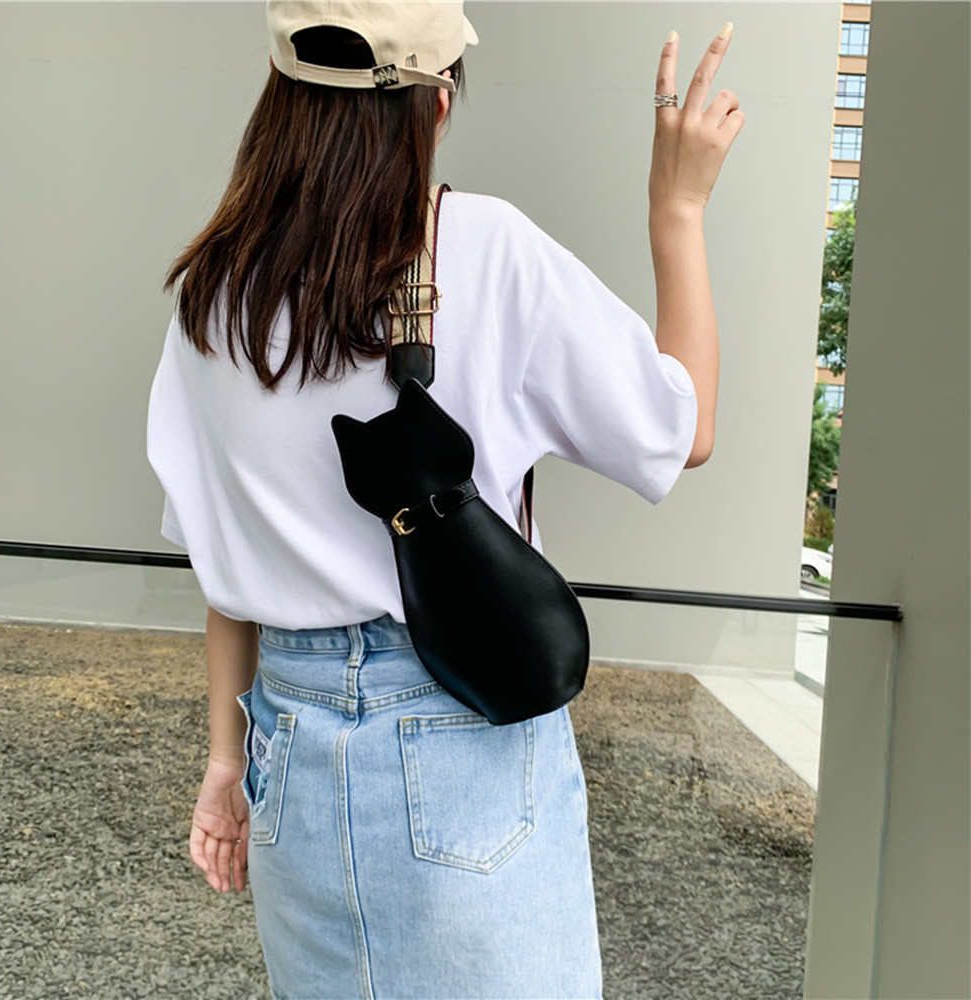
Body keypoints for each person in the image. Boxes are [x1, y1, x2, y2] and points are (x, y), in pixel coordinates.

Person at [146, 3, 743, 998]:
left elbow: (223, 565)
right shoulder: (483, 247)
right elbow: (685, 431)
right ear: (436, 100)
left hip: (286, 749)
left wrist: (224, 760)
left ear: (280, 89)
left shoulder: (217, 290)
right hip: (457, 726)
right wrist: (676, 209)